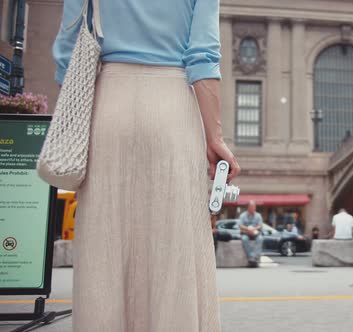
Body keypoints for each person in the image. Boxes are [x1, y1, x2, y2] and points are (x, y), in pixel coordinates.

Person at [53, 0, 240, 330]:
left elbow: (68, 57)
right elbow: (203, 56)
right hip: (172, 109)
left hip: (106, 107)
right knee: (175, 251)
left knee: (103, 252)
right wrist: (215, 137)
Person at [239, 201, 264, 267]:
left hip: (256, 233)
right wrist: (248, 229)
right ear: (248, 207)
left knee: (260, 238)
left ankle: (254, 258)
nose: (254, 208)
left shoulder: (258, 215)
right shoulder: (243, 215)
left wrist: (254, 229)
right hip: (246, 233)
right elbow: (240, 225)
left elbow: (260, 226)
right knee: (244, 239)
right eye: (252, 207)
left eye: (254, 207)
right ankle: (251, 256)